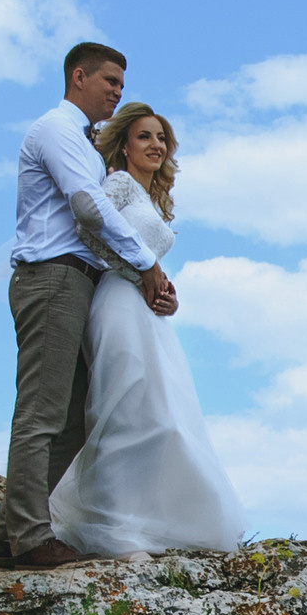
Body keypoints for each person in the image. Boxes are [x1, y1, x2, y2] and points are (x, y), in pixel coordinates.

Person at [0, 42, 177, 570]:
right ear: (79, 76)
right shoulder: (55, 129)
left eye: (121, 83)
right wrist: (146, 265)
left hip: (80, 284)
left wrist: (147, 275)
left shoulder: (80, 141)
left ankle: (9, 533)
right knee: (42, 413)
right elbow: (88, 206)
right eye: (110, 81)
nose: (118, 91)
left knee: (72, 421)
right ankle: (28, 539)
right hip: (52, 279)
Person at [46, 102, 248, 555]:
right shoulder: (116, 184)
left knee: (159, 413)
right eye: (144, 137)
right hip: (116, 302)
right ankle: (113, 524)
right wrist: (137, 269)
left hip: (147, 314)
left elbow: (147, 258)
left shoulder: (150, 199)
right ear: (123, 145)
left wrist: (165, 294)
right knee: (121, 407)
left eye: (161, 139)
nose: (155, 145)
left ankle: (149, 520)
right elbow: (86, 226)